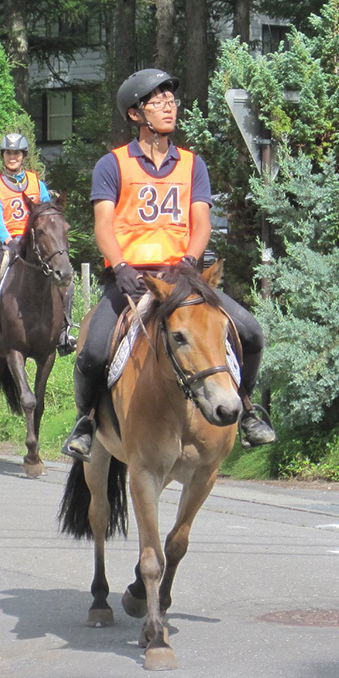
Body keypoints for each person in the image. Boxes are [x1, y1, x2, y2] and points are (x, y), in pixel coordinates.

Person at [61, 68, 277, 459]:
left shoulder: (192, 165)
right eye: (157, 101)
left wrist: (190, 262)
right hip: (131, 279)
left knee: (250, 330)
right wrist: (120, 265)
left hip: (182, 276)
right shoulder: (112, 165)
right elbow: (104, 226)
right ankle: (86, 421)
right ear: (135, 114)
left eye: (171, 100)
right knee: (93, 350)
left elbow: (202, 221)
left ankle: (246, 410)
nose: (168, 107)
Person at [0, 133, 76, 355]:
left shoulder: (36, 183)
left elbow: (47, 212)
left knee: (67, 284)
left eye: (17, 153)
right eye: (9, 153)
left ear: (23, 156)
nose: (13, 157)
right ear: (3, 156)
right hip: (6, 246)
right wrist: (8, 240)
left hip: (36, 247)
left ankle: (64, 331)